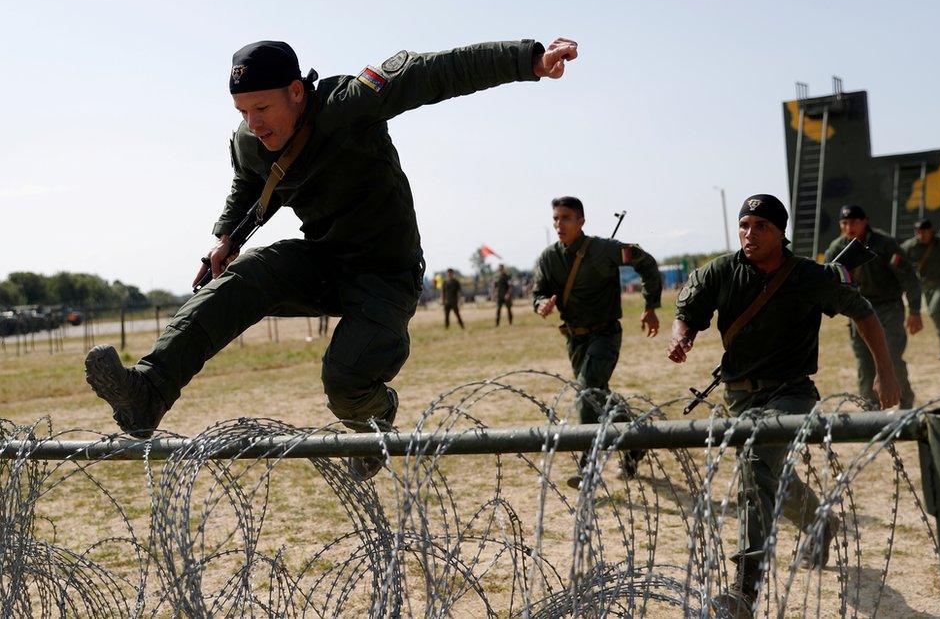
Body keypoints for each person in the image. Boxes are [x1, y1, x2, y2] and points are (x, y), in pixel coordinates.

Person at [84, 36, 580, 481]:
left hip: (387, 275)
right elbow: (249, 182)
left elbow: (436, 72)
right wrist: (225, 238)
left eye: (262, 108)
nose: (253, 124)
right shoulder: (251, 142)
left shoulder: (352, 103)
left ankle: (373, 425)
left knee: (345, 378)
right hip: (324, 262)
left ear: (297, 92)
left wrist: (529, 59)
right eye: (242, 112)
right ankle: (148, 394)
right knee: (246, 275)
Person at [667, 194, 900, 617]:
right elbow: (687, 309)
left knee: (757, 463)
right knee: (766, 473)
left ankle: (745, 588)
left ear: (780, 233)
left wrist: (885, 371)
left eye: (760, 226)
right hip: (740, 394)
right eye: (744, 225)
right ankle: (818, 520)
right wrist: (681, 335)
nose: (749, 234)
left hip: (791, 392)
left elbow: (863, 312)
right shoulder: (722, 270)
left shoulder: (808, 276)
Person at [531, 196, 662, 488]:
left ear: (581, 221)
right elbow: (538, 292)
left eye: (565, 218)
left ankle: (588, 468)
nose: (559, 224)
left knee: (587, 391)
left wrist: (650, 305)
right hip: (575, 340)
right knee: (597, 395)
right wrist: (541, 304)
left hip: (605, 334)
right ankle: (635, 441)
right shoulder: (548, 258)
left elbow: (646, 262)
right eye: (555, 218)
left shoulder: (605, 250)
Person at [824, 204, 922, 409]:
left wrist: (914, 311)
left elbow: (908, 277)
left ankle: (905, 404)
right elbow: (826, 284)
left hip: (888, 307)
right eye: (844, 223)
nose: (849, 227)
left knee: (892, 356)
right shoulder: (836, 249)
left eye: (853, 222)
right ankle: (870, 410)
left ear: (865, 221)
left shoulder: (884, 244)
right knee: (864, 363)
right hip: (857, 311)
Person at [901, 219, 940, 360]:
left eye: (924, 231)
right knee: (936, 317)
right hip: (926, 287)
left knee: (935, 311)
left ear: (931, 231)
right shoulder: (911, 246)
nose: (921, 235)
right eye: (918, 232)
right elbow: (898, 256)